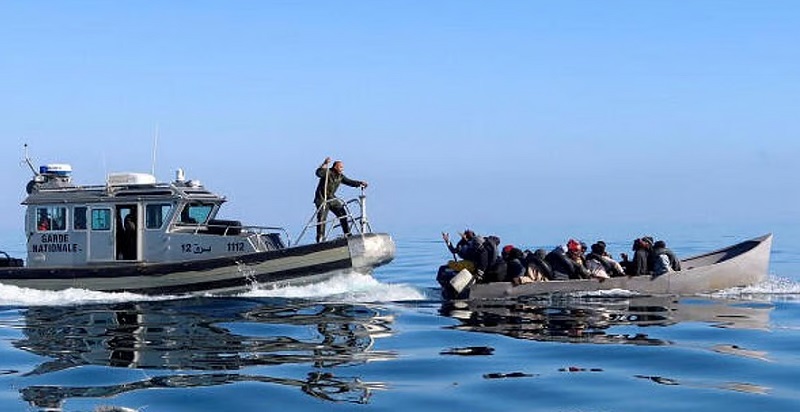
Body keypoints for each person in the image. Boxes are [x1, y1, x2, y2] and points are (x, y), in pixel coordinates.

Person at [313, 157, 368, 243]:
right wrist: (324, 163)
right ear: (335, 167)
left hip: (331, 198)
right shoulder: (327, 172)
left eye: (342, 167)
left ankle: (347, 234)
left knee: (343, 213)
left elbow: (349, 182)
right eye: (340, 167)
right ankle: (320, 238)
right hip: (321, 198)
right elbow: (318, 173)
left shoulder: (340, 176)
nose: (342, 169)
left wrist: (360, 183)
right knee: (322, 219)